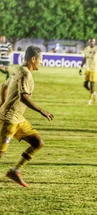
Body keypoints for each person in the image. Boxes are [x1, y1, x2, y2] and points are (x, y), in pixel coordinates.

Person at [0, 46, 54, 187]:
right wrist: (42, 111)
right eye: (40, 60)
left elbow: (4, 86)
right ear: (33, 59)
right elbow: (23, 97)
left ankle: (15, 171)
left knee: (37, 142)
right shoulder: (25, 74)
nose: (41, 63)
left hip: (18, 119)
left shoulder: (18, 70)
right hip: (9, 119)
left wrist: (2, 103)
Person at [79, 37, 97, 105]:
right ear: (89, 42)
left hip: (94, 69)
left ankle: (90, 100)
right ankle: (94, 94)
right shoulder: (86, 49)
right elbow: (84, 58)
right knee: (85, 84)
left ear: (95, 42)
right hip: (87, 69)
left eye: (93, 41)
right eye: (91, 41)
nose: (92, 42)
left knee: (92, 84)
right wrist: (80, 68)